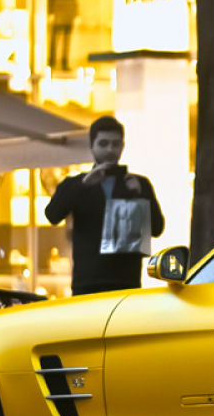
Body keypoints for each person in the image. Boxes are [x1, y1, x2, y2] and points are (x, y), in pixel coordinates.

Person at [44, 116, 164, 295]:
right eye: (103, 144)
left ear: (122, 146)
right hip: (87, 283)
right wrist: (83, 185)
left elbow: (157, 228)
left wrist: (141, 196)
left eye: (116, 144)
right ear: (91, 146)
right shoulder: (75, 184)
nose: (110, 150)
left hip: (126, 283)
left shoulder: (139, 184)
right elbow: (52, 215)